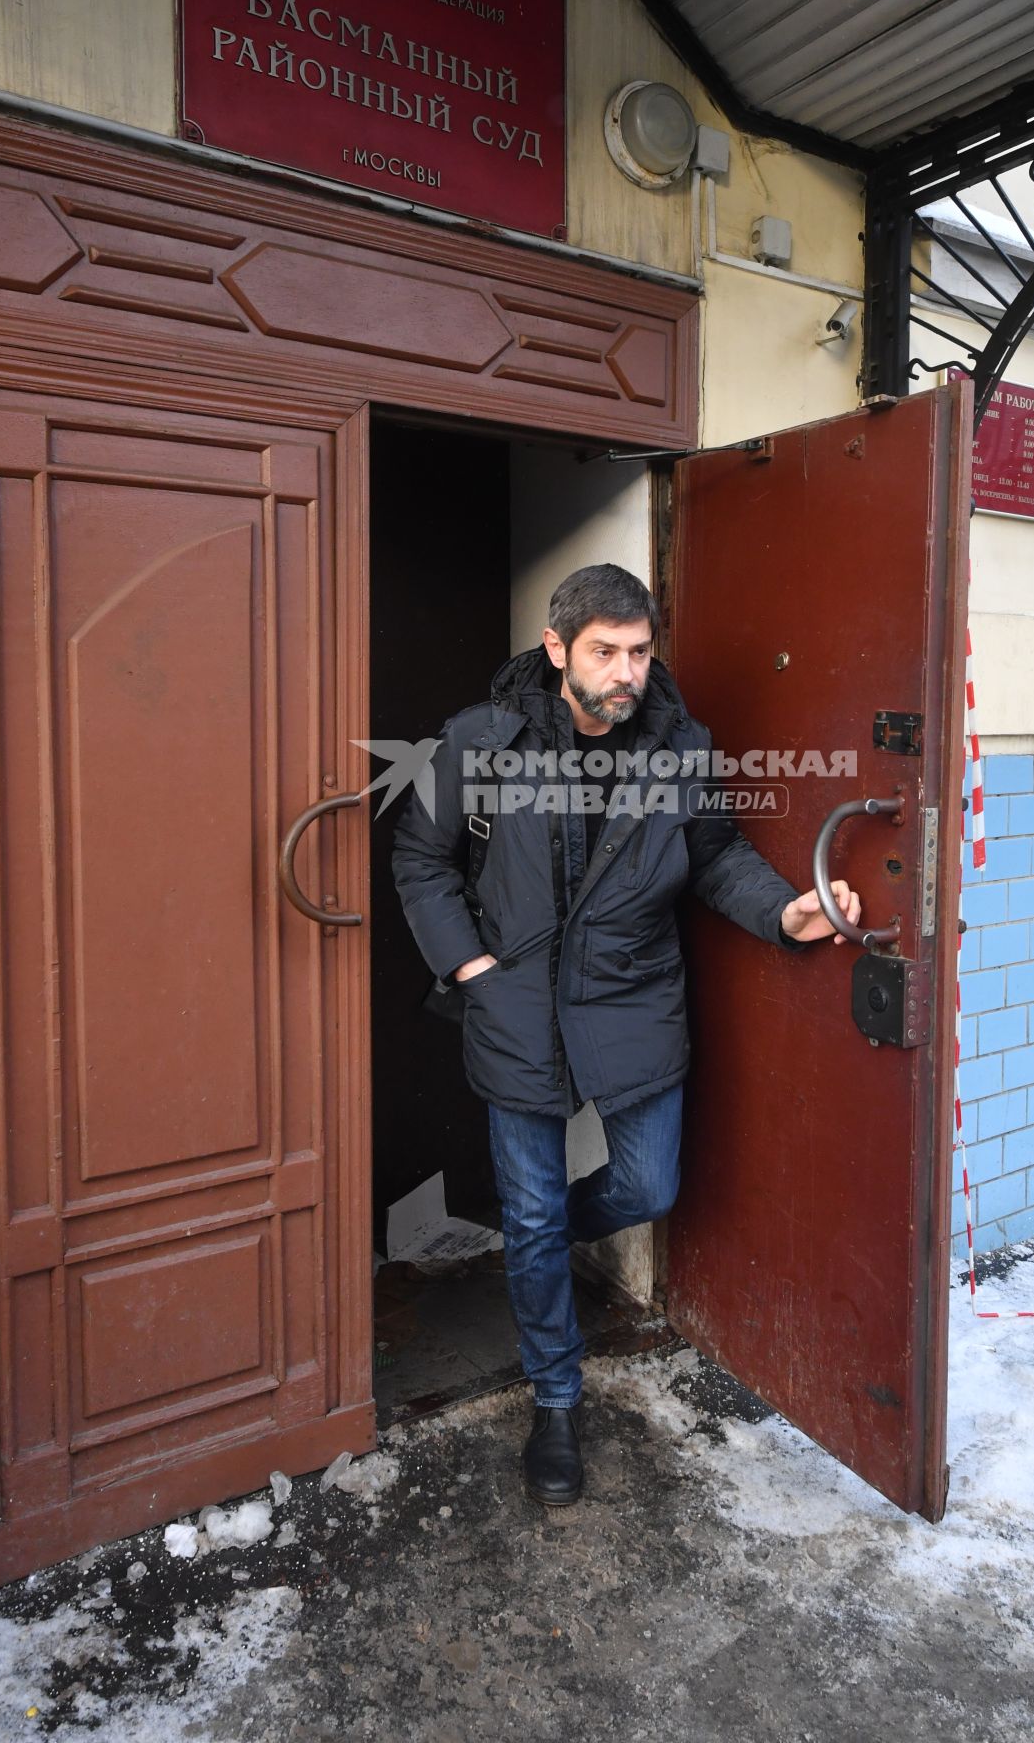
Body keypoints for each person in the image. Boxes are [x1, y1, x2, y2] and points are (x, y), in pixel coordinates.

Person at [391, 564, 860, 1505]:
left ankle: (533, 1246)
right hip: (515, 1005)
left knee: (650, 1181)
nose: (626, 671)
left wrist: (784, 915)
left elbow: (716, 853)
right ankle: (556, 1398)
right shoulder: (480, 739)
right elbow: (421, 858)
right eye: (605, 651)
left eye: (640, 651)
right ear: (559, 648)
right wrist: (473, 971)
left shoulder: (681, 745)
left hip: (635, 996)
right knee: (529, 1214)